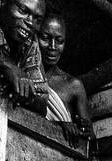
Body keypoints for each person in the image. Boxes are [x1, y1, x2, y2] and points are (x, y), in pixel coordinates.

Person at [37, 10, 93, 143]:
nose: (52, 47)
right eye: (45, 38)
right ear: (35, 37)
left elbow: (88, 139)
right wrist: (58, 126)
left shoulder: (73, 85)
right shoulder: (24, 75)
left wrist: (84, 130)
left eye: (59, 41)